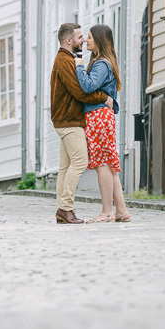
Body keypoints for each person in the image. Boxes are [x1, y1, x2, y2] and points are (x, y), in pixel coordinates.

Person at [51, 23, 111, 224]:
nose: (83, 40)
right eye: (79, 37)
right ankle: (66, 208)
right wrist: (103, 97)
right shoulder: (65, 61)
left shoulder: (65, 59)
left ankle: (62, 210)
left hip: (63, 120)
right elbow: (80, 91)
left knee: (65, 166)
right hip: (69, 121)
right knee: (80, 163)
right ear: (69, 41)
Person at [74, 24, 130, 223]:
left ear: (98, 39)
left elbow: (88, 86)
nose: (86, 41)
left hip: (97, 116)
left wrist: (79, 65)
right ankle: (121, 210)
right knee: (109, 166)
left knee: (102, 165)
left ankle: (107, 211)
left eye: (89, 37)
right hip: (103, 116)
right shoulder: (105, 62)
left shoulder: (101, 64)